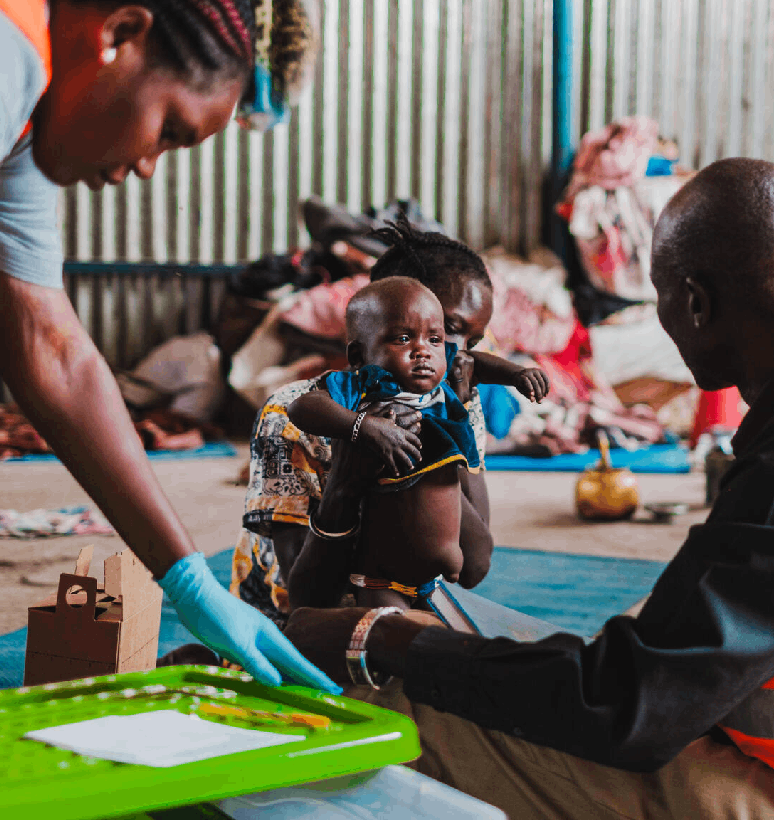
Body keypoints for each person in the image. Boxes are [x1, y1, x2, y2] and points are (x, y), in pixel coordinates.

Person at [282, 158, 774, 820]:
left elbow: (628, 709)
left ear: (694, 303)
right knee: (504, 642)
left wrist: (381, 639)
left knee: (393, 704)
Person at [0, 0, 336, 692]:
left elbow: (55, 351)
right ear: (121, 35)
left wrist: (188, 581)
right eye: (168, 131)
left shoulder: (18, 70)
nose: (146, 167)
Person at [230, 218, 544, 620]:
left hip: (406, 600)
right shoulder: (293, 414)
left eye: (470, 341)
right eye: (449, 330)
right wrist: (347, 477)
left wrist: (452, 429)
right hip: (289, 622)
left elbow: (471, 564)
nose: (459, 353)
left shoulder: (452, 398)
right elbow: (308, 600)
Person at [287, 277, 546, 608]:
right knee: (386, 627)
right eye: (403, 339)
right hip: (381, 578)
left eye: (434, 339)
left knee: (477, 560)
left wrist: (517, 374)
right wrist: (363, 426)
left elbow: (475, 362)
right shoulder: (363, 386)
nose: (423, 350)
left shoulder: (445, 378)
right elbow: (303, 406)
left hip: (438, 562)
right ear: (358, 355)